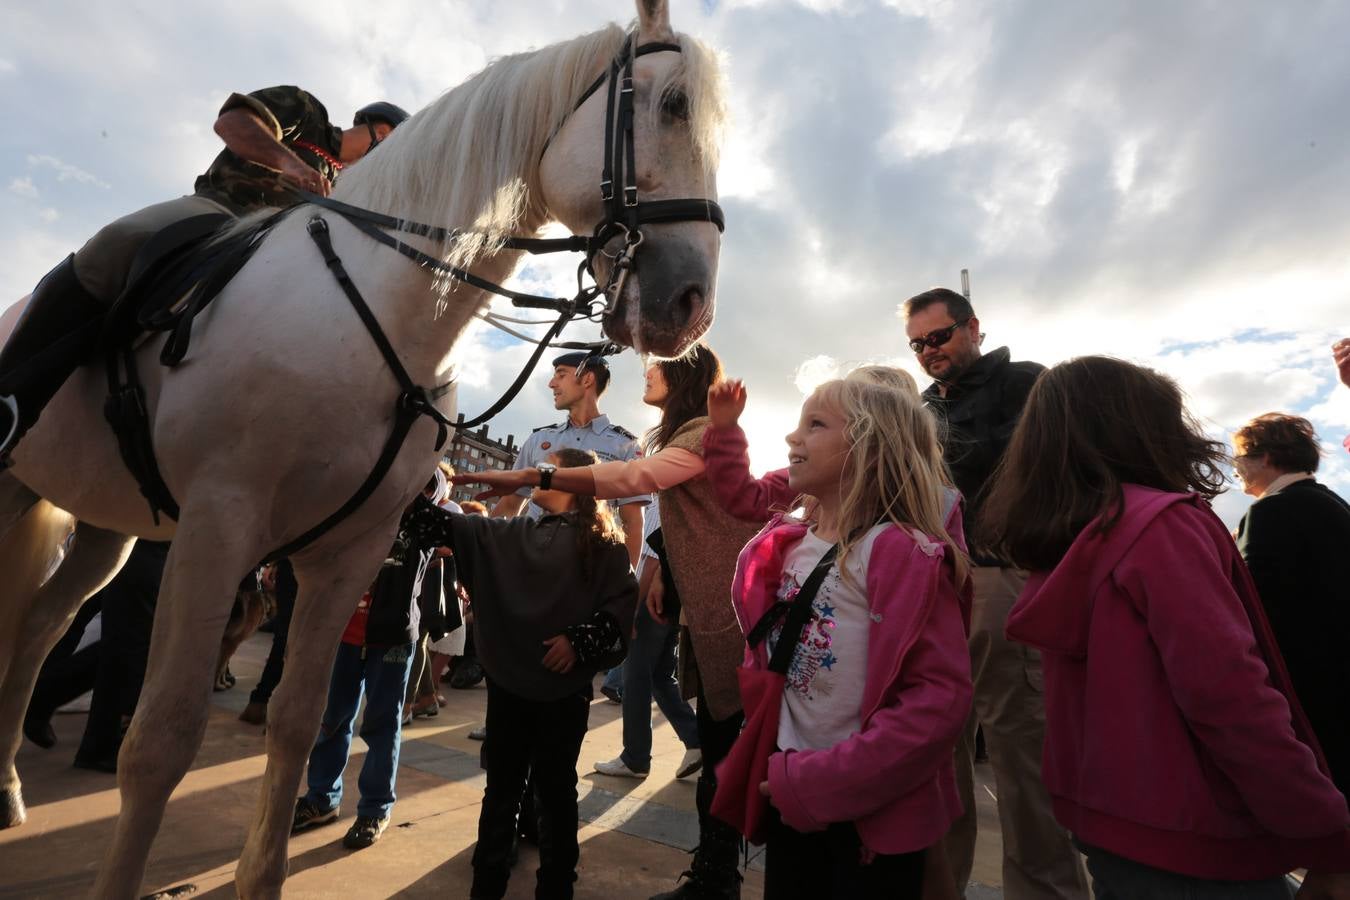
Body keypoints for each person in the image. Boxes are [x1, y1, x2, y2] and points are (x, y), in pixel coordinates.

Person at [981, 356, 1350, 898]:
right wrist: (1323, 828)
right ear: (1146, 430)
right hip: (1203, 833)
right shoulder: (1163, 525)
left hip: (1108, 822)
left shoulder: (1064, 540)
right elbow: (1229, 695)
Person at [456, 344, 761, 900]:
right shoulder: (673, 435)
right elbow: (686, 514)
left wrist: (620, 597)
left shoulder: (687, 437)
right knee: (716, 739)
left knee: (718, 741)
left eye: (659, 364)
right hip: (694, 604)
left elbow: (632, 486)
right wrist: (666, 569)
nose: (647, 371)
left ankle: (716, 879)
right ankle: (713, 873)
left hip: (716, 609)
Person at [0, 88, 409, 460]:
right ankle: (11, 394)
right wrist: (290, 164)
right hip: (221, 212)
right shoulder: (307, 111)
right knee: (120, 240)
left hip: (272, 254)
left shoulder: (344, 187)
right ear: (383, 133)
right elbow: (231, 122)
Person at [719, 376, 973, 899]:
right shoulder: (788, 547)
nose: (793, 437)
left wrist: (828, 783)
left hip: (865, 812)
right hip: (788, 788)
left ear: (871, 448)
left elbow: (937, 700)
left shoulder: (901, 555)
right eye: (798, 422)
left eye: (815, 425)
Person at [902, 287, 1086, 899]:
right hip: (930, 587)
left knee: (1021, 758)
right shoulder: (919, 407)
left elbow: (1023, 469)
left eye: (939, 336)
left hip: (1002, 576)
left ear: (972, 326)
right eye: (917, 343)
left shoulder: (1029, 384)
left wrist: (914, 445)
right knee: (936, 756)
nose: (929, 351)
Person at [402, 448, 637, 900]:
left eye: (550, 469)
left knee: (556, 794)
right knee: (502, 792)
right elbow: (425, 523)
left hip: (563, 695)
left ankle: (555, 889)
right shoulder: (507, 534)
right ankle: (486, 887)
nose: (537, 475)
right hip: (510, 690)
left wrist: (579, 641)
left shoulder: (604, 546)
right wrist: (416, 458)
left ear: (573, 481)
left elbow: (621, 614)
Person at [290, 472, 439, 850]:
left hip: (390, 639)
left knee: (381, 725)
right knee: (332, 718)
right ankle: (322, 799)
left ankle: (375, 809)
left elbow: (433, 487)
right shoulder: (358, 509)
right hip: (344, 633)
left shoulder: (421, 520)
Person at [1233, 413, 1350, 796]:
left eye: (1239, 458)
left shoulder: (1271, 511)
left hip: (1314, 689)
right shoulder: (1332, 503)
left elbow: (1253, 606)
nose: (1236, 469)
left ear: (1264, 458)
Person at [593, 495, 703, 781]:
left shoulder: (657, 501)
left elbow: (651, 562)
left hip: (650, 602)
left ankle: (635, 757)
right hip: (667, 601)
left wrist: (629, 610)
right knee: (659, 678)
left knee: (636, 678)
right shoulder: (678, 501)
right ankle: (696, 740)